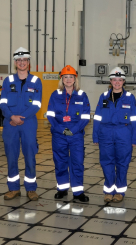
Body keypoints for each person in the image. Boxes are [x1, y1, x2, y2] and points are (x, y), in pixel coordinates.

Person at [0, 47, 42, 201]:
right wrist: (12, 117)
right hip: (10, 123)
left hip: (28, 123)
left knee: (30, 155)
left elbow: (36, 104)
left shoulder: (36, 81)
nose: (22, 62)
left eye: (25, 60)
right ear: (15, 63)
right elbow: (2, 103)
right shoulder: (8, 81)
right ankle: (13, 188)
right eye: (19, 60)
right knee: (11, 156)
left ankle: (31, 189)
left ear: (29, 63)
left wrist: (20, 118)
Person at [93, 67, 136, 203]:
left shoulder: (130, 98)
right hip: (105, 133)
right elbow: (97, 117)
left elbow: (135, 119)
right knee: (106, 162)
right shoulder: (104, 96)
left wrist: (135, 137)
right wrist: (95, 136)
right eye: (114, 80)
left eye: (120, 80)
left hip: (124, 133)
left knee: (122, 163)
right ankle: (108, 190)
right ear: (110, 81)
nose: (117, 82)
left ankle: (120, 191)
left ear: (123, 81)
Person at [46, 65, 90, 202]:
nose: (68, 79)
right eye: (66, 77)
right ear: (62, 79)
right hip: (59, 133)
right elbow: (50, 115)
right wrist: (61, 129)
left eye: (71, 77)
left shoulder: (82, 95)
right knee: (60, 161)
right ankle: (62, 188)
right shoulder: (55, 95)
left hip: (76, 134)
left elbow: (86, 116)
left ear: (75, 79)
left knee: (77, 162)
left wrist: (74, 130)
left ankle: (78, 192)